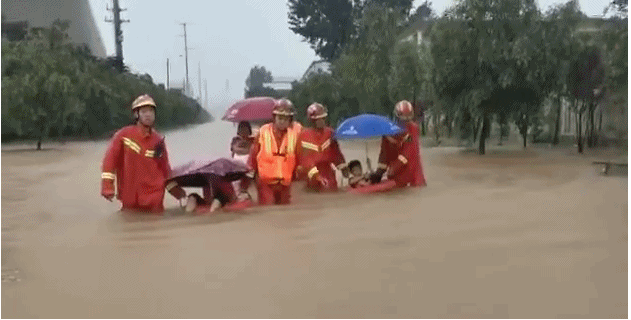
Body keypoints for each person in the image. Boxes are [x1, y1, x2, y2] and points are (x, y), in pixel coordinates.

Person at [101, 94, 187, 213]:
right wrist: (107, 187)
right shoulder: (123, 136)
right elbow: (109, 162)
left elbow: (165, 170)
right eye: (144, 111)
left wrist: (176, 191)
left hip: (154, 200)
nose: (148, 115)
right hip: (130, 198)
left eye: (151, 111)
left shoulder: (158, 141)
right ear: (136, 114)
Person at [241, 98, 301, 205]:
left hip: (285, 184)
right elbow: (252, 159)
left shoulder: (295, 135)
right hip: (265, 184)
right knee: (268, 209)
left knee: (286, 212)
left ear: (290, 120)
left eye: (285, 118)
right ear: (274, 118)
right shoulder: (263, 132)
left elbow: (300, 158)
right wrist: (244, 187)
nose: (282, 121)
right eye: (280, 118)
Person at [370, 100, 427, 188]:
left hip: (412, 173)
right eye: (403, 119)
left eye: (408, 119)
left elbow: (409, 152)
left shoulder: (413, 129)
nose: (406, 122)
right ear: (397, 116)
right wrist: (380, 171)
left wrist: (394, 167)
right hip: (395, 174)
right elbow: (384, 153)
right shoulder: (388, 131)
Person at [298, 102, 349, 191]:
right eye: (318, 119)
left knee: (333, 194)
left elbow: (336, 153)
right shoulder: (303, 136)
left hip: (328, 171)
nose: (322, 121)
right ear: (312, 120)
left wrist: (343, 167)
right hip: (310, 175)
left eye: (323, 118)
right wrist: (316, 176)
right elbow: (305, 160)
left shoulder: (330, 133)